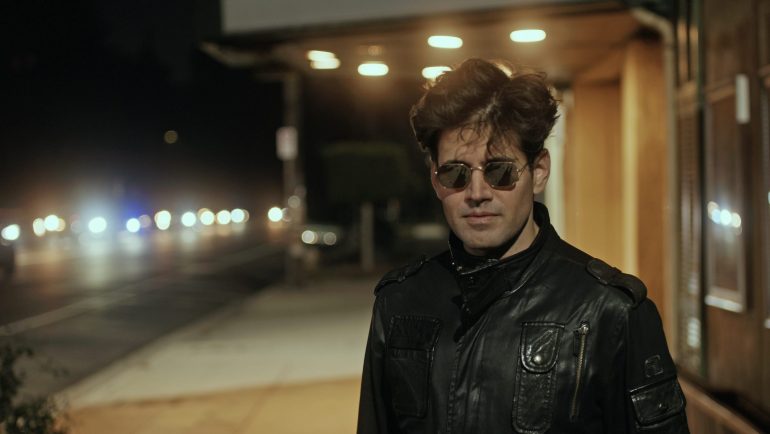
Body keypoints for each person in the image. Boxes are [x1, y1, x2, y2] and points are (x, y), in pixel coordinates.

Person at [356, 58, 689, 433]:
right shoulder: (400, 302)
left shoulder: (611, 313)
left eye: (500, 171)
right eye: (455, 173)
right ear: (435, 179)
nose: (477, 193)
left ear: (539, 171)